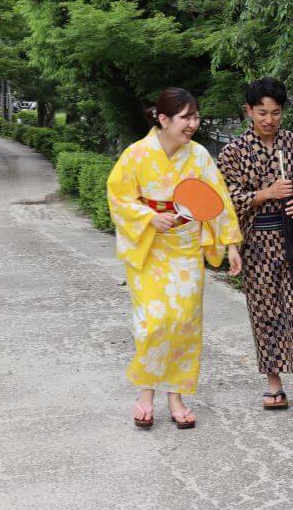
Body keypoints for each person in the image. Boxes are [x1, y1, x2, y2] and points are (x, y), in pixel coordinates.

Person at [107, 87, 243, 430]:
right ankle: (146, 393)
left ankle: (177, 395)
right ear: (163, 119)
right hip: (149, 247)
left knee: (184, 322)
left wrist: (230, 244)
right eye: (186, 117)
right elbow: (119, 197)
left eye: (196, 117)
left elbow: (219, 200)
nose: (193, 124)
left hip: (185, 246)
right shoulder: (137, 155)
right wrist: (147, 217)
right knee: (154, 321)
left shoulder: (198, 157)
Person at [217, 77, 293, 412]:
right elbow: (223, 197)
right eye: (261, 112)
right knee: (265, 311)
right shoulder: (233, 152)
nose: (268, 119)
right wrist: (264, 194)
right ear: (248, 111)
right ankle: (274, 383)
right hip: (257, 243)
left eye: (275, 113)